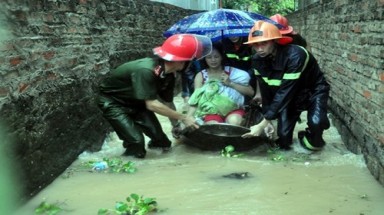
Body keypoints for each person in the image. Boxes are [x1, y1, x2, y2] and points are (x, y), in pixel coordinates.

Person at [97, 34, 212, 158]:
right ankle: (127, 167)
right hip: (114, 103)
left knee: (163, 143)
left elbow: (168, 102)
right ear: (181, 61)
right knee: (137, 143)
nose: (191, 65)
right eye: (191, 61)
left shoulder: (169, 74)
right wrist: (184, 117)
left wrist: (176, 126)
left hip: (137, 103)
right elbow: (152, 104)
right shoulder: (145, 70)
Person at [242, 21, 330, 151]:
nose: (259, 48)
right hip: (291, 97)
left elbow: (285, 91)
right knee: (283, 140)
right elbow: (266, 92)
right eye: (256, 44)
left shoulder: (296, 55)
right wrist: (268, 119)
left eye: (264, 43)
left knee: (316, 127)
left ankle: (315, 129)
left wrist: (262, 123)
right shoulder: (257, 60)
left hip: (313, 91)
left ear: (274, 41)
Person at [187, 45, 254, 126]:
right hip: (211, 112)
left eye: (216, 56)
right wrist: (189, 116)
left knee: (234, 122)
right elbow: (195, 98)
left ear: (222, 57)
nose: (213, 60)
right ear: (204, 59)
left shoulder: (233, 73)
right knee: (213, 126)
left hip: (233, 109)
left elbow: (251, 92)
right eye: (209, 57)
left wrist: (230, 83)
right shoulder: (201, 76)